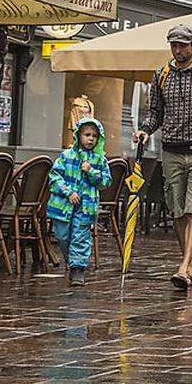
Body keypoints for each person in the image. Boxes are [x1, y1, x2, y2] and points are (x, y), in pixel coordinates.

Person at [134, 24, 192, 290]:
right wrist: (145, 130)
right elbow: (155, 113)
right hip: (172, 151)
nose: (177, 50)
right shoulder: (161, 75)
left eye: (182, 45)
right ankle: (188, 261)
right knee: (176, 209)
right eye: (173, 44)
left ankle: (184, 267)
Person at [47, 118, 112, 287]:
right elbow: (54, 177)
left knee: (80, 236)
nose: (91, 139)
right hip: (63, 205)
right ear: (78, 135)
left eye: (94, 136)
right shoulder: (66, 156)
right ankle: (72, 261)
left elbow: (105, 182)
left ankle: (77, 269)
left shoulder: (100, 160)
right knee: (62, 236)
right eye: (87, 135)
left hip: (86, 207)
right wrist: (68, 192)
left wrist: (91, 171)